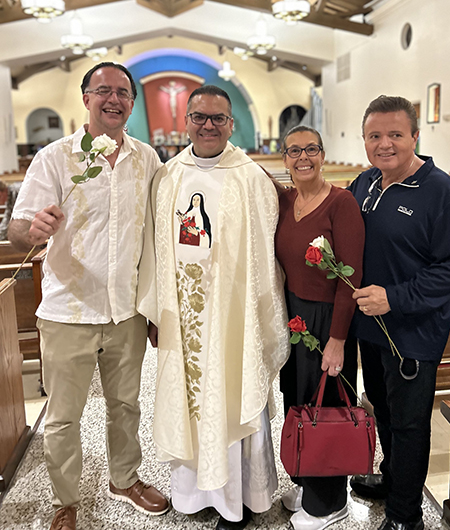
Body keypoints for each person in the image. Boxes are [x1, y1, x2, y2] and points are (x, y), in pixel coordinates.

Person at [8, 62, 169, 530]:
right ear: (86, 99)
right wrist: (31, 230)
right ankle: (65, 500)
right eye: (103, 91)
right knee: (62, 418)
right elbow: (19, 230)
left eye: (122, 92)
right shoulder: (55, 158)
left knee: (126, 404)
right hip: (68, 309)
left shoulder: (147, 159)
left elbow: (157, 232)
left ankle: (124, 479)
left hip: (126, 311)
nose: (113, 99)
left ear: (132, 103)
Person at [137, 84, 290, 530]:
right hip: (181, 315)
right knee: (189, 403)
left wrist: (261, 318)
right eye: (200, 117)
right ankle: (193, 495)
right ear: (186, 121)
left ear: (231, 124)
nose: (208, 125)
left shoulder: (250, 177)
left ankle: (238, 500)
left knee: (232, 393)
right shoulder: (167, 177)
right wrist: (156, 312)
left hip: (233, 319)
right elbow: (154, 249)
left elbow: (265, 257)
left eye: (218, 118)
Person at [347, 95, 450, 530]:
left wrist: (395, 298)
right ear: (365, 140)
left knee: (409, 424)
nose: (385, 144)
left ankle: (406, 515)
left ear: (415, 136)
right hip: (372, 328)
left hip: (413, 332)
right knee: (382, 410)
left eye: (395, 135)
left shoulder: (440, 191)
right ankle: (393, 479)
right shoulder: (364, 184)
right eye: (375, 136)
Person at [275, 126, 365, 530]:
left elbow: (351, 277)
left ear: (323, 154)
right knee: (298, 399)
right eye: (294, 151)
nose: (303, 157)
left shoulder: (341, 203)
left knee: (326, 405)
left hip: (329, 317)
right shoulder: (286, 199)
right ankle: (307, 481)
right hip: (294, 314)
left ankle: (331, 502)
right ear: (284, 159)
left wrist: (338, 341)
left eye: (311, 149)